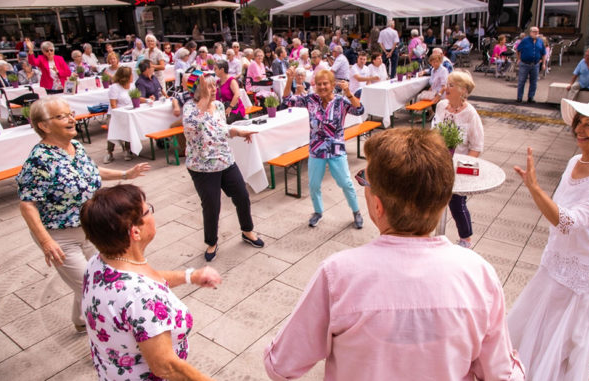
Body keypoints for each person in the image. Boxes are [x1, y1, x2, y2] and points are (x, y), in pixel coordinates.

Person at [264, 127, 526, 381]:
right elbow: (501, 374)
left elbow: (281, 365)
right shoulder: (478, 274)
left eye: (364, 180)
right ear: (444, 202)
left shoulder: (337, 275)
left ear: (377, 206)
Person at [508, 93, 589, 380]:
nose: (579, 129)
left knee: (563, 345)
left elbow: (569, 222)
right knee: (532, 328)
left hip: (582, 276)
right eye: (579, 122)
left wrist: (535, 189)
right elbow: (561, 210)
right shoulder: (575, 160)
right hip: (557, 263)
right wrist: (538, 193)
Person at [16, 97, 150, 334]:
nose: (71, 119)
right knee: (97, 287)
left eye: (70, 113)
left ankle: (80, 318)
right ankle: (109, 340)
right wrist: (46, 241)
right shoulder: (39, 160)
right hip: (61, 237)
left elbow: (91, 171)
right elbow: (27, 204)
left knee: (94, 278)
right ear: (44, 126)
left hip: (90, 229)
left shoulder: (75, 147)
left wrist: (126, 174)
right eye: (61, 116)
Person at [80, 184, 220, 380]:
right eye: (148, 211)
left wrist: (190, 276)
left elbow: (143, 280)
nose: (152, 214)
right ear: (135, 232)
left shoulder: (98, 262)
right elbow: (166, 367)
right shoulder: (143, 298)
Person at [182, 72, 264, 261]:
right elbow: (193, 126)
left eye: (213, 86)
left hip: (225, 160)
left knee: (242, 196)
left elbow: (223, 129)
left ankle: (247, 231)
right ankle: (211, 242)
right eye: (207, 86)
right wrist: (203, 97)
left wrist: (239, 132)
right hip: (202, 167)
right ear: (197, 90)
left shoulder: (219, 106)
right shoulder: (190, 109)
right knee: (212, 206)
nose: (213, 90)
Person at [282, 68, 365, 228]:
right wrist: (289, 79)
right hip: (316, 149)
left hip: (336, 149)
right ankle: (318, 212)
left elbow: (359, 109)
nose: (322, 87)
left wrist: (348, 92)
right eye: (319, 84)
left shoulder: (341, 101)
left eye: (325, 83)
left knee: (346, 183)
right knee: (313, 185)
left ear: (332, 84)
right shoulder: (311, 99)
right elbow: (287, 100)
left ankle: (356, 212)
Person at [431, 71, 484, 248]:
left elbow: (477, 147)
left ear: (462, 90)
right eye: (447, 84)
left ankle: (465, 240)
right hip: (437, 163)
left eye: (451, 85)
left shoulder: (470, 114)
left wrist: (461, 169)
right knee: (432, 200)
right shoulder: (441, 106)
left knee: (457, 202)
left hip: (457, 167)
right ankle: (432, 236)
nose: (446, 88)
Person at [105, 67, 138, 163]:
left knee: (130, 125)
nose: (132, 76)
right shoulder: (114, 87)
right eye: (131, 75)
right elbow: (113, 105)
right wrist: (119, 115)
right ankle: (109, 152)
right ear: (125, 77)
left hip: (128, 113)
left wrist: (148, 100)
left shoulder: (132, 86)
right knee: (112, 128)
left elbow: (136, 98)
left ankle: (128, 150)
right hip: (114, 115)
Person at [516, 26, 546, 103]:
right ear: (530, 32)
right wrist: (518, 59)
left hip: (535, 64)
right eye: (534, 32)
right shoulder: (525, 40)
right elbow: (518, 50)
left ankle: (530, 97)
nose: (536, 33)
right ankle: (519, 97)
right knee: (521, 81)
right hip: (525, 63)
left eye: (537, 32)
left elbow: (544, 53)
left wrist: (543, 63)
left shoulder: (540, 41)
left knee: (534, 82)